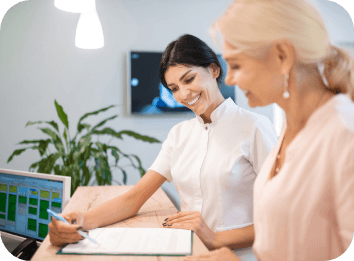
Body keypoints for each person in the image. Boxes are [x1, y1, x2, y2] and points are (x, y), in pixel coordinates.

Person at [48, 34, 277, 260]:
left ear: (214, 70)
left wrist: (214, 238)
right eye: (174, 88)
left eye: (189, 79)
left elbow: (282, 218)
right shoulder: (179, 135)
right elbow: (133, 199)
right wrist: (80, 220)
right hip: (189, 253)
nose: (183, 95)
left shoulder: (255, 127)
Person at [185, 0, 354, 261]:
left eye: (237, 65)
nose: (228, 79)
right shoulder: (292, 127)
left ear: (282, 56)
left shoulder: (344, 133)